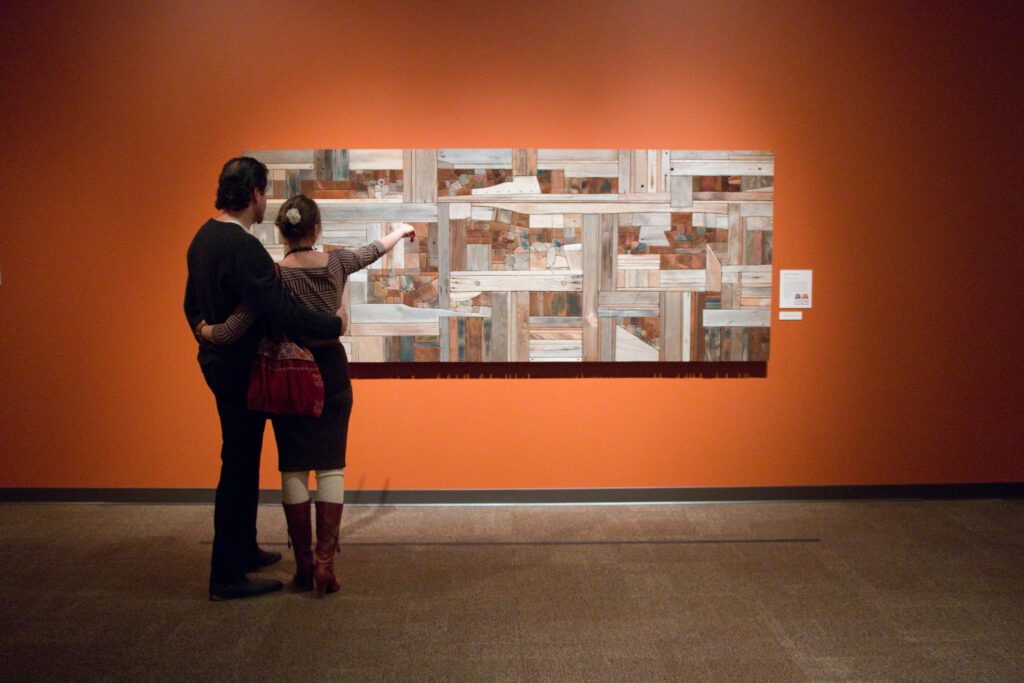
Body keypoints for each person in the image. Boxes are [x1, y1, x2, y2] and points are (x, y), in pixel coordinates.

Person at [199, 194, 414, 597]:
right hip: (332, 372)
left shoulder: (275, 274)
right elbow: (372, 251)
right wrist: (400, 231)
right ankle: (325, 565)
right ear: (317, 230)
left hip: (290, 374)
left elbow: (233, 327)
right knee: (331, 465)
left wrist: (208, 331)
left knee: (294, 465)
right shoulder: (336, 263)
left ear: (281, 232)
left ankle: (302, 565)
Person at [185, 159, 344, 601]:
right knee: (237, 466)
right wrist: (331, 327)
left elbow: (189, 305)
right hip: (241, 371)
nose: (265, 202)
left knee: (243, 459)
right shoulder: (243, 248)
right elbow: (279, 307)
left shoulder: (201, 239)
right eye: (265, 192)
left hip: (217, 363)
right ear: (254, 193)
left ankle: (245, 549)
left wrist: (206, 332)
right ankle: (226, 575)